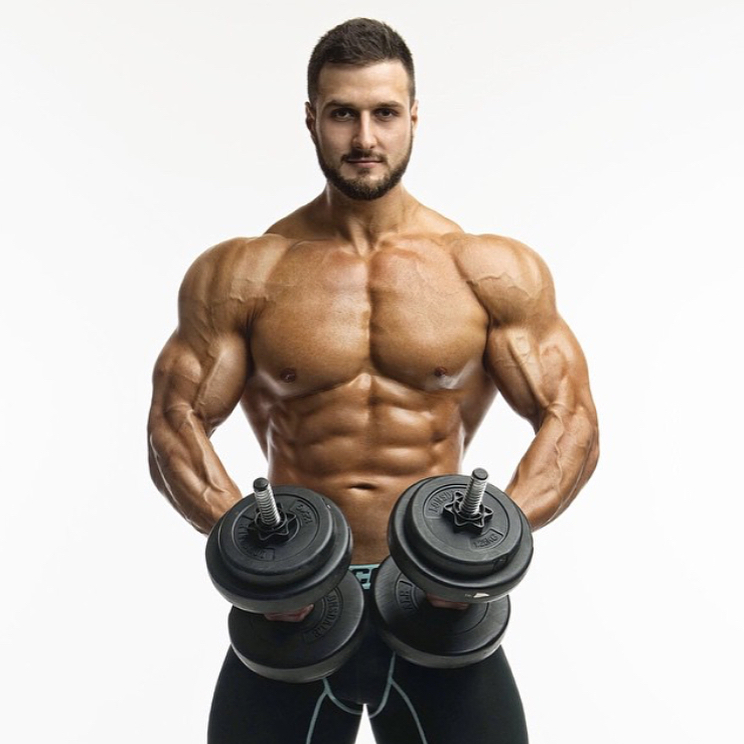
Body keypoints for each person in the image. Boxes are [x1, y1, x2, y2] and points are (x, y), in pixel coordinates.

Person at [148, 17, 599, 744]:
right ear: (311, 120)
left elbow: (571, 418)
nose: (365, 137)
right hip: (291, 618)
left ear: (413, 117)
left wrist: (482, 555)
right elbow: (174, 421)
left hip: (438, 609)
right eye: (343, 114)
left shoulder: (485, 270)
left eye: (385, 113)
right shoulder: (243, 273)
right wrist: (259, 565)